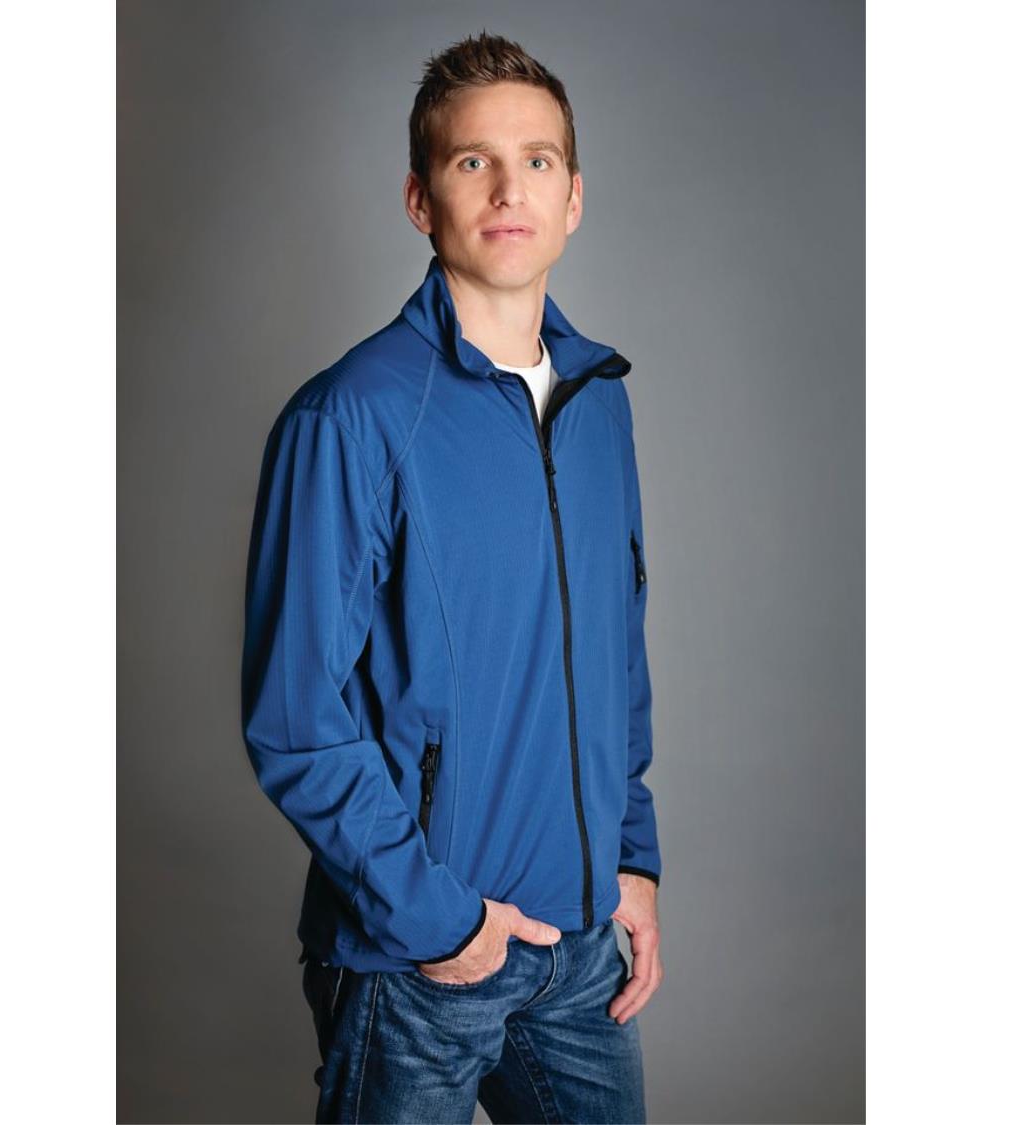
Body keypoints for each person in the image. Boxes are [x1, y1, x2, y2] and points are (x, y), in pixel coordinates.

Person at [241, 31, 663, 1124]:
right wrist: (440, 921)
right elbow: (295, 719)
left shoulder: (600, 405)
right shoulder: (351, 416)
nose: (510, 188)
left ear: (573, 197)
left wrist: (631, 863)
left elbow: (612, 655)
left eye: (537, 160)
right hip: (420, 961)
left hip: (580, 951)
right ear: (420, 200)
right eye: (474, 161)